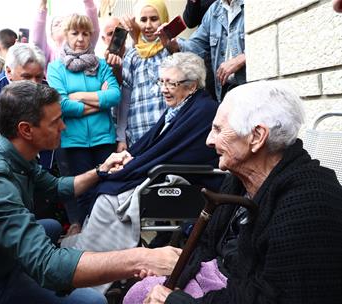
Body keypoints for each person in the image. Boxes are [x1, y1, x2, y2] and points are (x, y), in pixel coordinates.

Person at [0, 81, 181, 304]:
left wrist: (100, 170)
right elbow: (48, 264)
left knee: (49, 226)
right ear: (26, 130)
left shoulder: (15, 154)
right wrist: (141, 259)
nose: (63, 126)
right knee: (92, 300)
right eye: (55, 121)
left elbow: (56, 188)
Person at [123, 81, 342, 304]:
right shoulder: (238, 181)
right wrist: (175, 276)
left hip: (240, 293)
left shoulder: (309, 202)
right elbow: (206, 246)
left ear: (256, 137)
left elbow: (272, 297)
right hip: (221, 282)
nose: (209, 140)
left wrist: (177, 301)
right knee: (140, 291)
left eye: (218, 129)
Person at [60, 52, 220, 264]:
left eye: (171, 84)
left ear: (191, 86)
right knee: (107, 188)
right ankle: (88, 255)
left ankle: (96, 264)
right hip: (167, 172)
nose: (163, 89)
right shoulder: (183, 106)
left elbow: (172, 151)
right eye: (161, 81)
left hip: (190, 183)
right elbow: (154, 145)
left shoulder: (204, 110)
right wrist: (127, 159)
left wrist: (131, 167)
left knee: (109, 198)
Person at [46, 14, 121, 227]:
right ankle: (89, 238)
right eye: (75, 33)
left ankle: (109, 234)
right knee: (84, 191)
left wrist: (78, 97)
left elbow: (115, 96)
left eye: (85, 33)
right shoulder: (55, 67)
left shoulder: (102, 65)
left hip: (103, 139)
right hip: (73, 141)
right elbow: (60, 104)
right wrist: (99, 100)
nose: (80, 38)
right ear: (66, 35)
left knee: (107, 187)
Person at [164, 0, 245, 102]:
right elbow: (196, 45)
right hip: (225, 91)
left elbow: (268, 43)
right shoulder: (214, 9)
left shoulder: (254, 5)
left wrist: (241, 59)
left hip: (251, 88)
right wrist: (175, 44)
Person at [116, 0, 171, 151]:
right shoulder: (132, 55)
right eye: (143, 20)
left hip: (167, 132)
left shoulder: (171, 50)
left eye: (154, 19)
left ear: (164, 20)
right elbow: (125, 99)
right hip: (138, 134)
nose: (148, 25)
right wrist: (121, 137)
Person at [32, 0, 100, 66]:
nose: (61, 25)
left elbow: (92, 29)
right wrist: (42, 4)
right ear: (51, 35)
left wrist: (88, 1)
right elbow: (38, 38)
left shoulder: (82, 44)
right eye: (56, 24)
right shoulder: (49, 53)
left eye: (64, 23)